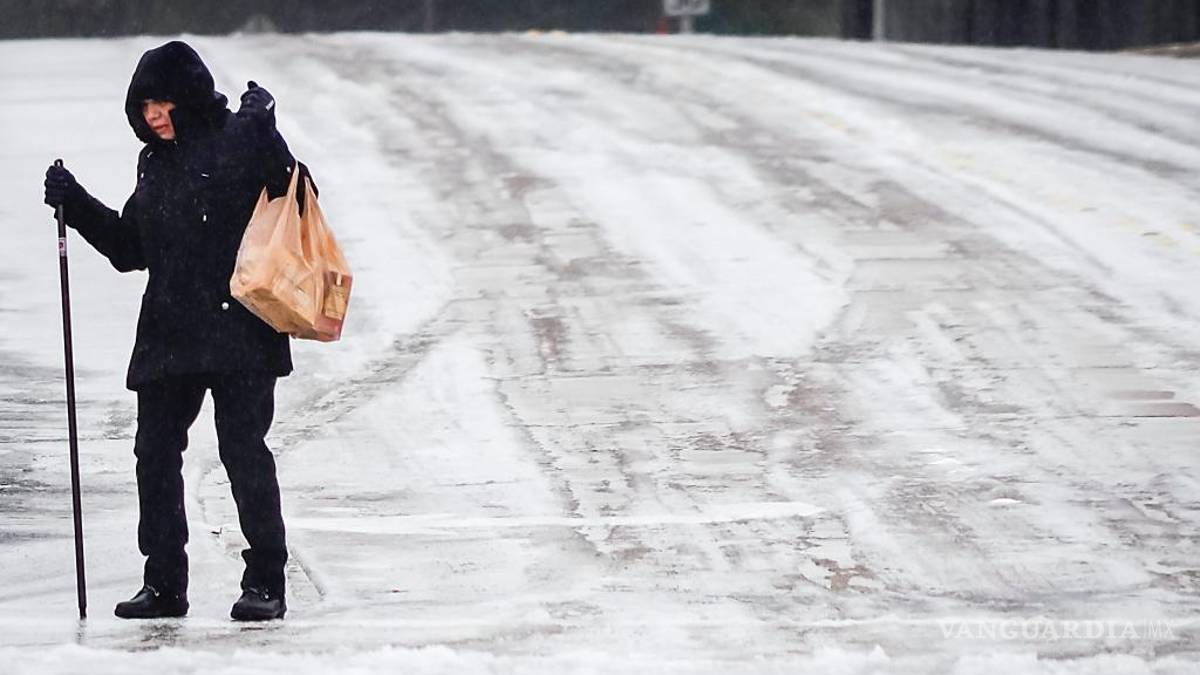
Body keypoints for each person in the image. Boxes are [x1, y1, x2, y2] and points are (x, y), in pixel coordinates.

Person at [42, 40, 315, 621]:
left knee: (243, 451)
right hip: (170, 332)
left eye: (163, 103)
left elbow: (293, 189)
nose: (154, 117)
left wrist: (267, 131)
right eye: (144, 108)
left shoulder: (239, 137)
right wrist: (76, 204)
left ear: (189, 96)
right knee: (154, 454)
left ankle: (266, 580)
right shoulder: (155, 162)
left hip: (241, 328)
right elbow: (129, 248)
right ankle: (164, 583)